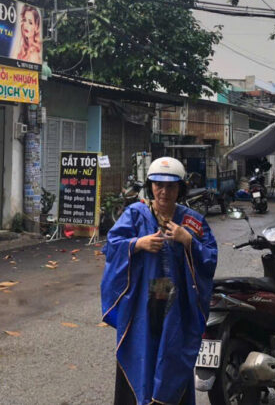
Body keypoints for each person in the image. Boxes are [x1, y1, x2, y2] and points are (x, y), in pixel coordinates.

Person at [101, 157, 218, 405]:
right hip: (144, 300)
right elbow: (112, 246)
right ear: (150, 186)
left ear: (180, 189)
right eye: (158, 185)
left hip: (179, 302)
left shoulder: (192, 221)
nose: (164, 192)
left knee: (173, 353)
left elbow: (210, 257)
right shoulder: (136, 214)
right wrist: (138, 244)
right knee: (142, 350)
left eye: (171, 186)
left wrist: (188, 240)